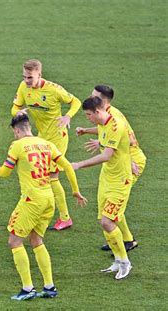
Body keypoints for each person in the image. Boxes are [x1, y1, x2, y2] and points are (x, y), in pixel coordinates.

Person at [0, 114, 86, 301]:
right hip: (48, 199)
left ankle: (28, 289)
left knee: (14, 242)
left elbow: (5, 172)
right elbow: (67, 166)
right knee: (36, 240)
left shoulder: (16, 146)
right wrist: (75, 190)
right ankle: (49, 286)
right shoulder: (46, 144)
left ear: (17, 130)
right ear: (29, 127)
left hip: (31, 201)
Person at [11, 59, 82, 230]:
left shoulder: (54, 89)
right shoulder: (23, 87)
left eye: (30, 78)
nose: (26, 81)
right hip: (42, 136)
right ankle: (49, 212)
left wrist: (68, 117)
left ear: (39, 75)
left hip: (58, 137)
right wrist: (17, 112)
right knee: (45, 176)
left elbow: (76, 101)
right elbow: (14, 108)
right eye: (24, 77)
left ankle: (65, 217)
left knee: (51, 176)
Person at [76, 85, 146, 252]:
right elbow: (104, 130)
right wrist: (87, 131)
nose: (91, 98)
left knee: (115, 199)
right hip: (116, 162)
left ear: (104, 101)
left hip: (130, 162)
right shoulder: (103, 114)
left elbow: (128, 140)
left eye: (95, 97)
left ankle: (124, 241)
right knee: (111, 202)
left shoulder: (115, 116)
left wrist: (129, 161)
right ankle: (124, 239)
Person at [72, 96, 133, 280]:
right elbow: (100, 131)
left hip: (120, 181)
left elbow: (107, 155)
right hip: (107, 178)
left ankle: (125, 262)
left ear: (98, 112)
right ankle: (117, 260)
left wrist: (79, 164)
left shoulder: (116, 126)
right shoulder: (103, 122)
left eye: (89, 115)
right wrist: (85, 131)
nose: (88, 118)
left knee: (108, 222)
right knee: (102, 221)